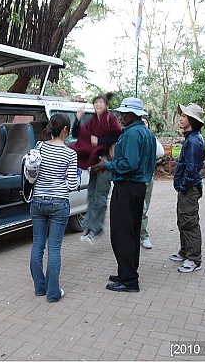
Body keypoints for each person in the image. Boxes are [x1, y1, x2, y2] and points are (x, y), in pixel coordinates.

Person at [92, 97, 157, 292]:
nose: (120, 116)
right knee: (131, 231)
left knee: (122, 234)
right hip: (138, 187)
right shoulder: (146, 133)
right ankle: (127, 271)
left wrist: (107, 165)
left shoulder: (132, 135)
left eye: (124, 113)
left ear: (134, 114)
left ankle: (129, 280)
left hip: (127, 186)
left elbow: (129, 164)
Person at [30, 113, 79, 302]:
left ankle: (40, 288)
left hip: (38, 201)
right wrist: (60, 186)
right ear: (65, 129)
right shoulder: (70, 153)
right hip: (59, 203)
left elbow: (32, 171)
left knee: (37, 246)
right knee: (54, 248)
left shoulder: (39, 147)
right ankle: (52, 293)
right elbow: (72, 184)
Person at [69, 92, 121, 245]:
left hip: (105, 160)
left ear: (106, 105)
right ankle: (89, 227)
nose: (98, 105)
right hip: (94, 160)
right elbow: (78, 135)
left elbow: (118, 135)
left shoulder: (110, 118)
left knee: (100, 196)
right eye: (96, 103)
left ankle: (97, 229)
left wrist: (100, 140)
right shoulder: (92, 120)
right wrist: (78, 119)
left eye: (101, 103)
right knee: (91, 194)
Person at [169, 103, 205, 273]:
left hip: (190, 188)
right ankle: (185, 252)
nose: (181, 119)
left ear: (191, 119)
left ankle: (194, 259)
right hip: (187, 188)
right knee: (183, 220)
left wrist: (183, 186)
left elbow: (191, 168)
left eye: (184, 116)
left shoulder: (193, 140)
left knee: (189, 222)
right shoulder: (191, 138)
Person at [140, 117, 165, 249]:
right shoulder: (134, 137)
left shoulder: (151, 138)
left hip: (148, 177)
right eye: (141, 122)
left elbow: (160, 152)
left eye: (145, 123)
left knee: (145, 207)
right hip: (137, 179)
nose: (143, 124)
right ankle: (143, 235)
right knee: (141, 208)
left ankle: (142, 235)